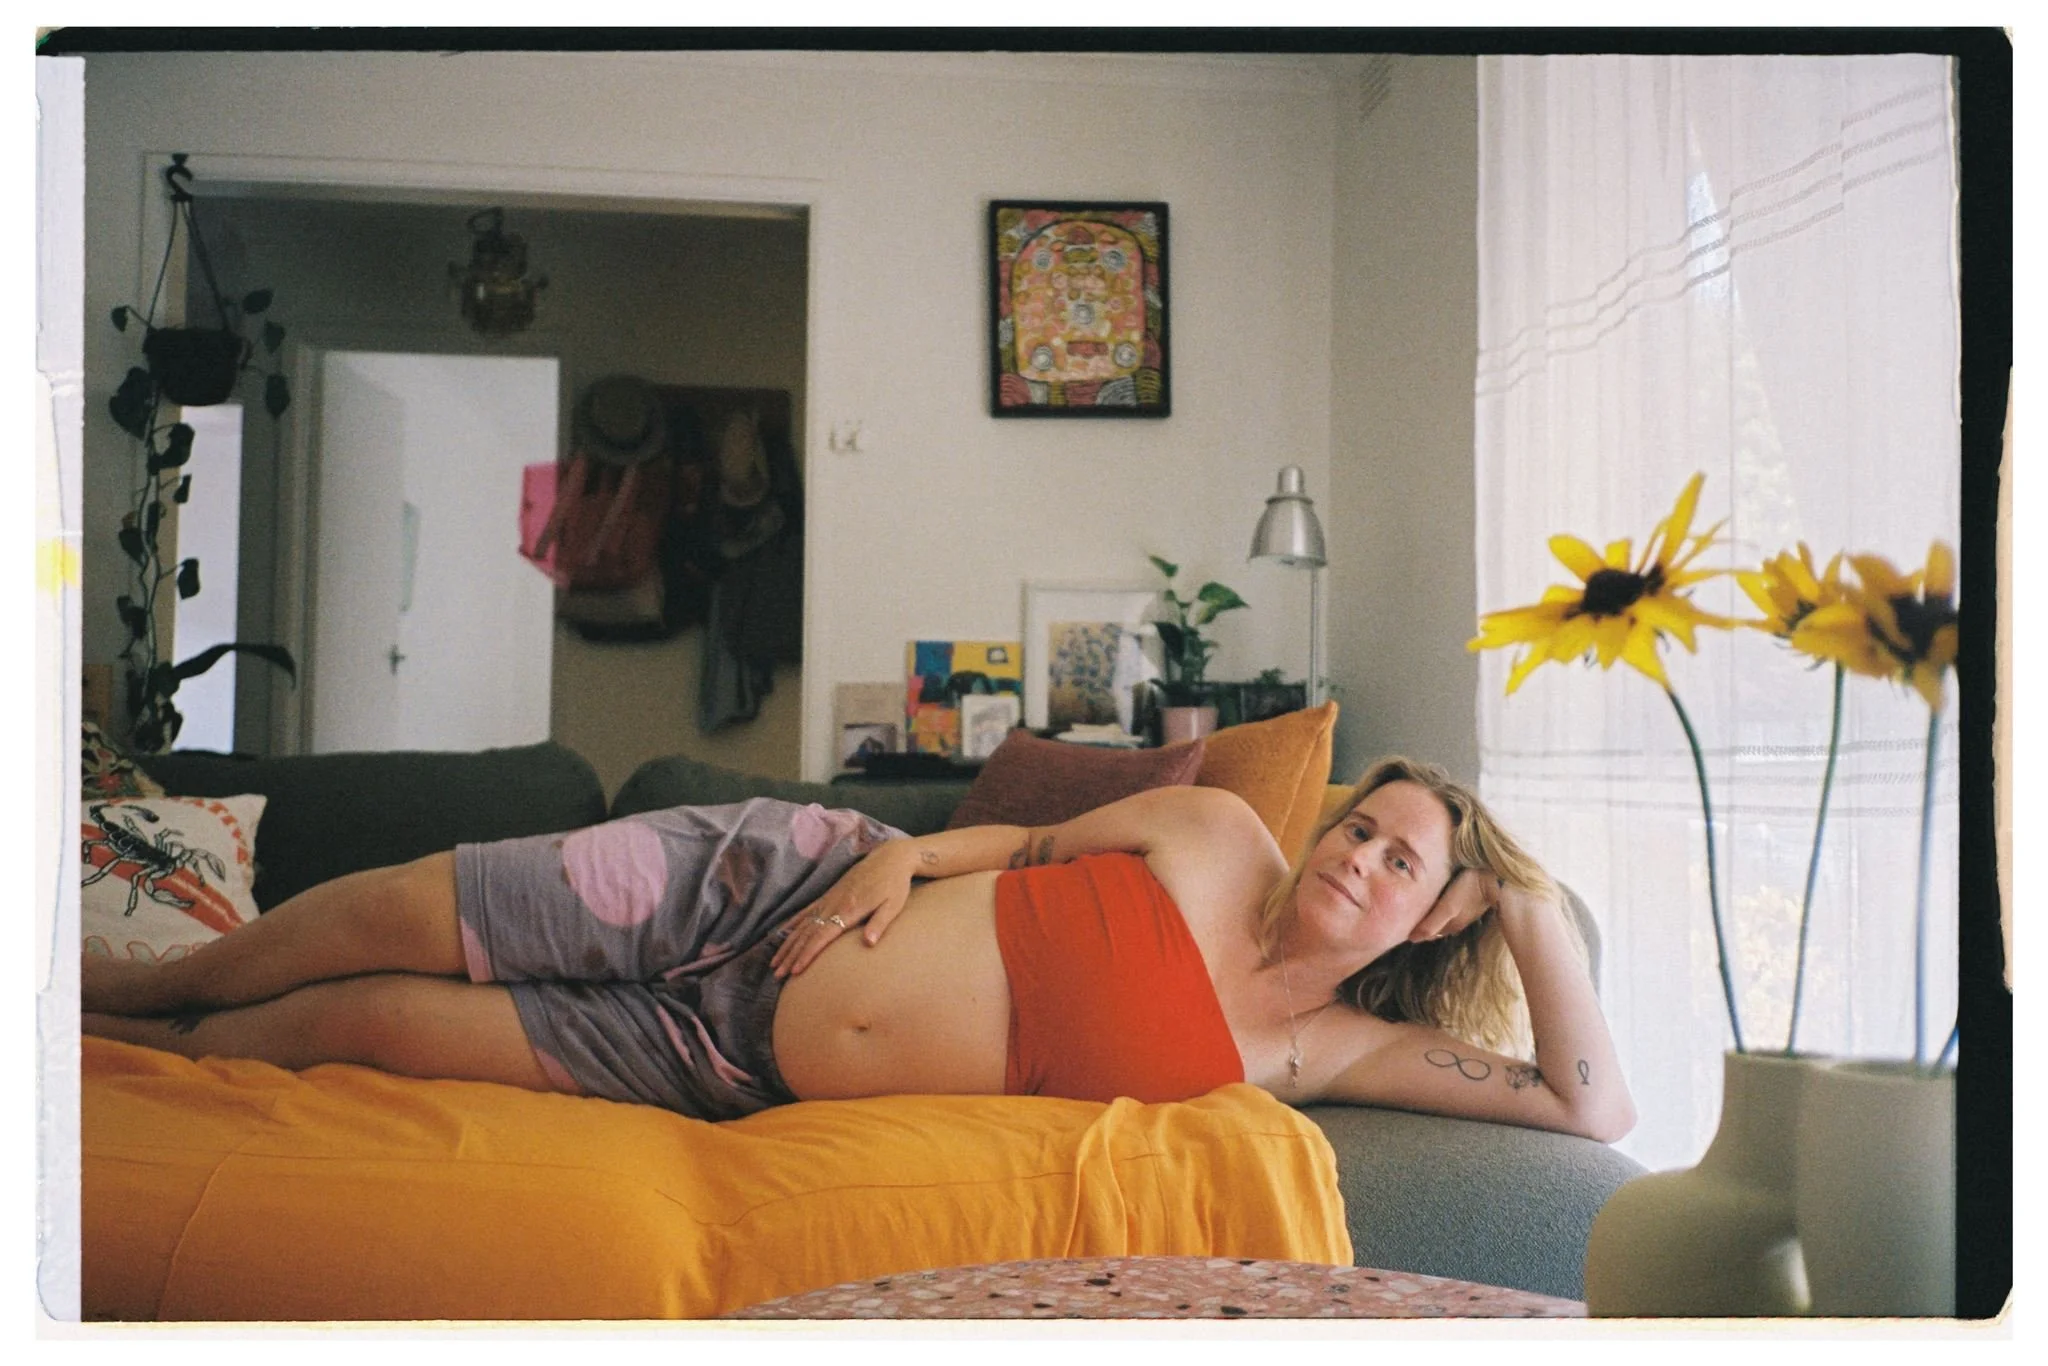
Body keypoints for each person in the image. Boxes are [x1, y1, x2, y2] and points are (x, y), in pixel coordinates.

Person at [82, 756, 1634, 1142]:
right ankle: (141, 980)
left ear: (1435, 910)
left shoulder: (1332, 1050)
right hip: (768, 887)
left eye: (1400, 859)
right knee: (402, 909)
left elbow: (1589, 1108)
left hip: (733, 1064)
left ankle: (141, 1057)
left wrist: (1532, 907)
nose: (1356, 853)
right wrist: (899, 849)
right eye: (1362, 823)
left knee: (374, 1026)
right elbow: (1021, 849)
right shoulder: (1223, 831)